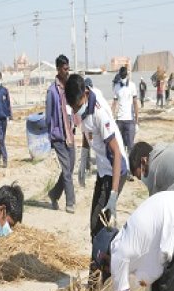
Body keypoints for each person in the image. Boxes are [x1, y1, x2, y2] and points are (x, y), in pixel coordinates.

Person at [65, 73, 129, 240]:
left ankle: (104, 262)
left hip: (115, 169)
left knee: (99, 226)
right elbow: (87, 132)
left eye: (77, 106)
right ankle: (100, 262)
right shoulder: (81, 105)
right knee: (96, 226)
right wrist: (84, 157)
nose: (75, 111)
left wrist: (113, 194)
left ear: (86, 94)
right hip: (103, 169)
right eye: (73, 108)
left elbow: (116, 153)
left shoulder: (100, 114)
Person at [45, 54, 75, 214]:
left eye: (68, 68)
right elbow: (48, 117)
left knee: (69, 168)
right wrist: (50, 137)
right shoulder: (52, 91)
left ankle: (54, 193)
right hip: (58, 137)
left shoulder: (70, 87)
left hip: (70, 135)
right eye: (64, 69)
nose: (67, 71)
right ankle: (71, 202)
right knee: (67, 171)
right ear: (58, 70)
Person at [111, 66, 139, 167]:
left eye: (123, 74)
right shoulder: (116, 87)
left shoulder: (132, 86)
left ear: (126, 74)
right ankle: (123, 168)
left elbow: (135, 103)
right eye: (121, 74)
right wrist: (112, 118)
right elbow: (114, 103)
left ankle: (131, 168)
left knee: (131, 146)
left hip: (130, 120)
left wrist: (136, 121)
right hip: (119, 121)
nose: (122, 75)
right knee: (120, 146)